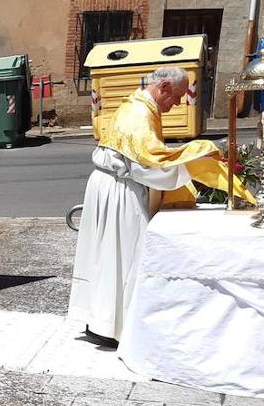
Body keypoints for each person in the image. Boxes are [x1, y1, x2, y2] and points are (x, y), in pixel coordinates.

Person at [69, 66, 238, 347]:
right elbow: (148, 166)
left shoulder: (140, 107)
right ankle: (111, 325)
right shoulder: (139, 114)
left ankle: (104, 320)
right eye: (177, 97)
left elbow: (148, 158)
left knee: (109, 256)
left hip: (114, 185)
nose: (177, 105)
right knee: (126, 255)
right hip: (120, 190)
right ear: (163, 88)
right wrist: (195, 161)